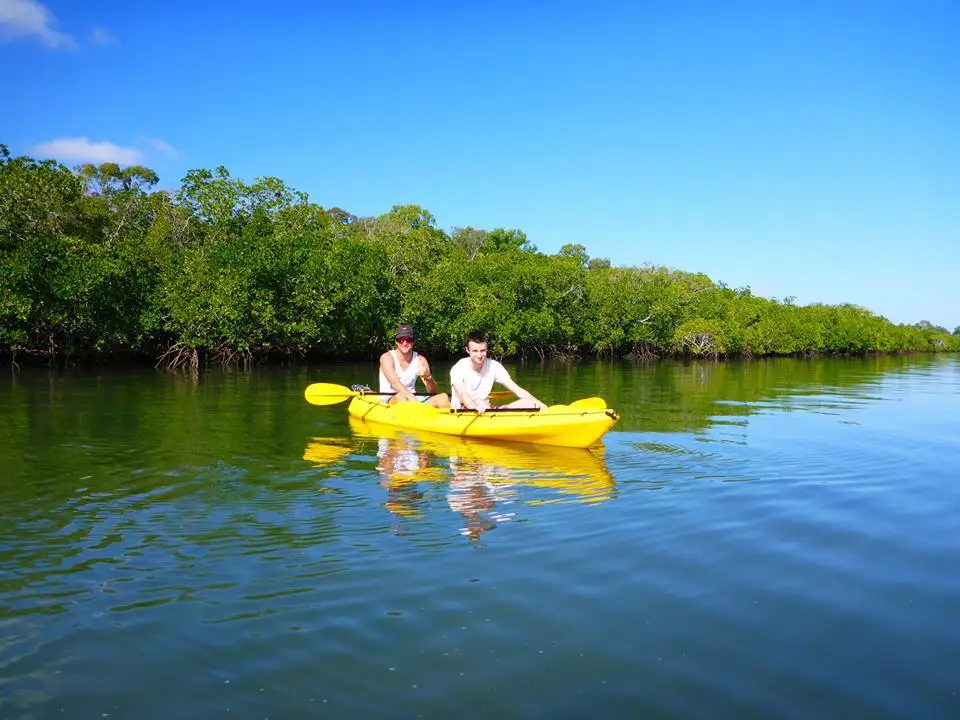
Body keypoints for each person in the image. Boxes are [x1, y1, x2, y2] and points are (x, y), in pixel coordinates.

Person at [449, 330, 546, 413]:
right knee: (480, 403)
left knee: (530, 403)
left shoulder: (494, 366)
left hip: (487, 409)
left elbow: (517, 390)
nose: (479, 355)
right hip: (464, 410)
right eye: (475, 351)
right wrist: (475, 408)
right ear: (467, 350)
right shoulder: (458, 369)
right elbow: (463, 394)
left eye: (483, 351)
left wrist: (541, 405)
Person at [379, 324, 451, 408]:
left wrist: (428, 377)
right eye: (401, 340)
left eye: (408, 340)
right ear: (396, 342)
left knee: (443, 397)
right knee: (402, 397)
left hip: (414, 399)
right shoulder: (387, 358)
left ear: (413, 342)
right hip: (391, 398)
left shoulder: (420, 360)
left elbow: (432, 392)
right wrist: (410, 397)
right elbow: (395, 383)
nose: (404, 343)